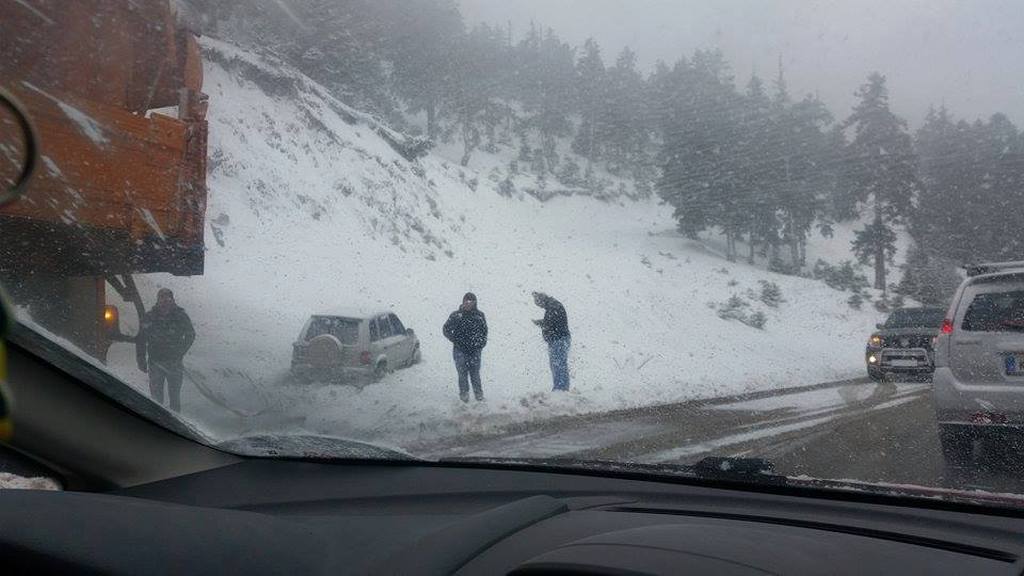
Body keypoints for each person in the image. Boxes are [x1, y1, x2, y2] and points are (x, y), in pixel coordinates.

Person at [136, 288, 195, 412]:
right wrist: (140, 359)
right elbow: (141, 339)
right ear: (158, 301)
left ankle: (175, 423)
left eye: (168, 299)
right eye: (162, 299)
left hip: (174, 363)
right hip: (155, 362)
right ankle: (158, 421)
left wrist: (180, 351)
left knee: (175, 398)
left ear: (172, 300)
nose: (165, 302)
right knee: (156, 400)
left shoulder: (180, 316)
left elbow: (191, 334)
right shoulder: (150, 317)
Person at [443, 292, 488, 402]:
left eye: (471, 301)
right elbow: (446, 329)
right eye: (466, 301)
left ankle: (479, 395)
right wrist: (455, 339)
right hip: (460, 350)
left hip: (475, 351)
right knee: (462, 374)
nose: (468, 303)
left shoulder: (479, 315)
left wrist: (480, 344)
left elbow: (484, 332)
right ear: (463, 301)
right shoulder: (456, 315)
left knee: (475, 374)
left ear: (475, 303)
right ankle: (464, 395)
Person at [533, 292, 571, 391]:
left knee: (559, 365)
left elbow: (551, 323)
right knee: (556, 364)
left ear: (541, 300)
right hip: (557, 339)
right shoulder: (552, 306)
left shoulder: (554, 306)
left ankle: (561, 389)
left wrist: (541, 323)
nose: (540, 306)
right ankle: (560, 388)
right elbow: (552, 322)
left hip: (559, 340)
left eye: (538, 303)